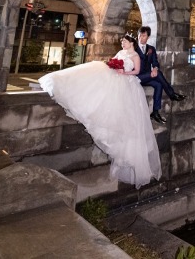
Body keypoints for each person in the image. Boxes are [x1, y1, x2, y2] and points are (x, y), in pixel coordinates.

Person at [38, 35, 161, 188]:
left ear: (131, 43)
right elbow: (112, 62)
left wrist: (124, 72)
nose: (122, 43)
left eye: (124, 41)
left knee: (126, 118)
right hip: (117, 79)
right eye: (121, 42)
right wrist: (113, 66)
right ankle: (62, 82)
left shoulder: (135, 55)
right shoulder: (121, 53)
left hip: (128, 84)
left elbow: (136, 71)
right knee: (96, 69)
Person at [137, 26, 185, 124]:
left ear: (148, 37)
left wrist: (155, 68)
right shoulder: (133, 47)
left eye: (144, 35)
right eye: (139, 35)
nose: (141, 37)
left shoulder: (151, 49)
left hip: (146, 77)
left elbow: (155, 62)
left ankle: (155, 112)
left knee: (158, 85)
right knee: (158, 74)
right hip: (136, 77)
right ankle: (171, 94)